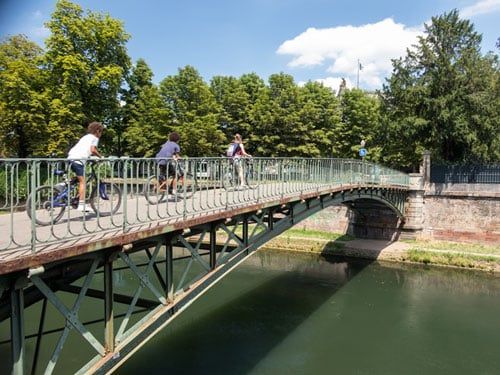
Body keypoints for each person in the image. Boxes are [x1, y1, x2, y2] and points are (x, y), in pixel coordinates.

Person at [67, 121, 104, 212]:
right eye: (101, 132)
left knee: (79, 179)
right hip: (78, 160)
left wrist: (90, 157)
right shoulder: (95, 138)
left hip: (71, 158)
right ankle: (81, 205)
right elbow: (93, 150)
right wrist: (101, 157)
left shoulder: (85, 137)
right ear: (97, 131)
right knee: (83, 182)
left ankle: (72, 196)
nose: (101, 134)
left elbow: (84, 150)